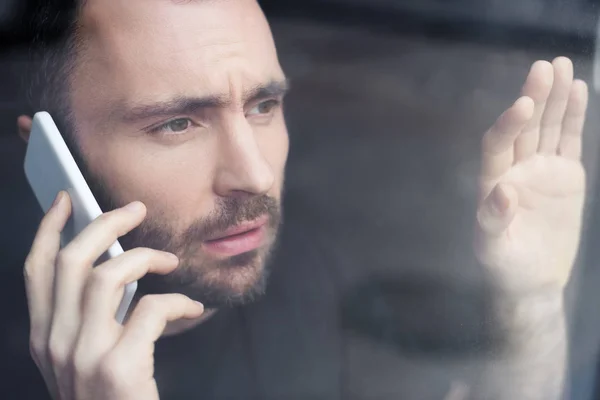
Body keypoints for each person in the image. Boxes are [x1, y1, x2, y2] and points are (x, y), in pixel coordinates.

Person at [17, 0, 589, 399]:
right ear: (51, 152)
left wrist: (530, 308)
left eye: (263, 106)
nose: (256, 174)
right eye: (176, 124)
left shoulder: (323, 273)